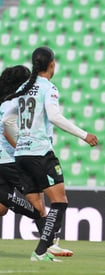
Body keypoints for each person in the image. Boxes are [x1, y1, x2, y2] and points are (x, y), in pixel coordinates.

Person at [2, 46, 99, 262]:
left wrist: (21, 141)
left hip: (21, 155)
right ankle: (40, 251)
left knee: (39, 207)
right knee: (60, 202)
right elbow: (54, 117)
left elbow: (7, 120)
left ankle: (44, 250)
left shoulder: (24, 89)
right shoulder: (49, 88)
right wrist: (84, 135)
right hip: (40, 153)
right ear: (52, 64)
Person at [0, 65, 43, 220]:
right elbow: (8, 129)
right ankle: (49, 242)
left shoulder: (3, 102)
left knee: (2, 209)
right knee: (37, 203)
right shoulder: (14, 103)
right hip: (11, 159)